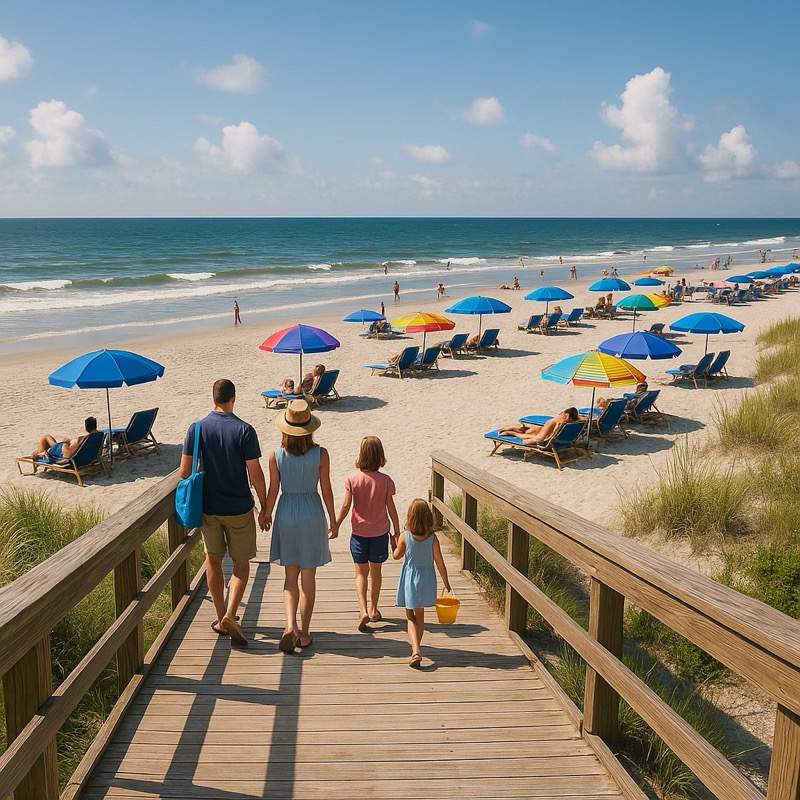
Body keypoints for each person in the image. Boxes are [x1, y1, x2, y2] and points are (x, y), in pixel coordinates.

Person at [179, 379, 268, 647]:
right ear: (233, 398)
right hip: (239, 508)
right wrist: (264, 507)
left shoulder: (196, 428)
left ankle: (221, 618)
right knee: (241, 564)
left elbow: (184, 472)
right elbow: (255, 474)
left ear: (213, 398)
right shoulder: (245, 430)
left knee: (213, 560)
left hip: (209, 508)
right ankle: (231, 614)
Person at [265, 399, 337, 651]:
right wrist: (334, 519)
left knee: (289, 578)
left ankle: (289, 625)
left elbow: (273, 489)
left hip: (286, 512)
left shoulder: (276, 454)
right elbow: (326, 489)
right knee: (308, 578)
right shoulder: (321, 454)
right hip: (311, 512)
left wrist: (265, 513)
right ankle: (304, 634)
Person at [335, 436, 401, 632]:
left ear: (361, 454)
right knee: (376, 572)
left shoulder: (352, 478)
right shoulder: (386, 481)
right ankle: (373, 609)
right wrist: (397, 531)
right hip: (380, 532)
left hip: (359, 533)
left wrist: (336, 524)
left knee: (360, 573)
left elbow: (346, 505)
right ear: (380, 455)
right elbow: (391, 508)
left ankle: (362, 610)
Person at [393, 498, 451, 669]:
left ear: (410, 517)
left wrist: (394, 544)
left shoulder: (405, 536)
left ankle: (416, 649)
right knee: (420, 616)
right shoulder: (432, 538)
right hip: (426, 580)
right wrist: (446, 582)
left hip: (410, 579)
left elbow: (396, 556)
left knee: (409, 616)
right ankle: (417, 648)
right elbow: (440, 562)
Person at [498, 408, 581, 444]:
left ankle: (512, 430)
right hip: (541, 432)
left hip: (541, 433)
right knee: (528, 431)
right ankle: (512, 429)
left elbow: (539, 438)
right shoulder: (573, 423)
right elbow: (539, 438)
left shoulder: (555, 422)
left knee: (527, 432)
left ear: (565, 414)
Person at [32, 416, 98, 461]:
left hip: (60, 452)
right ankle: (41, 451)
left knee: (45, 437)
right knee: (47, 438)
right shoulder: (98, 435)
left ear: (86, 427)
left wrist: (65, 444)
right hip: (63, 449)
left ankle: (40, 454)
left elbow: (66, 456)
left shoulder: (80, 440)